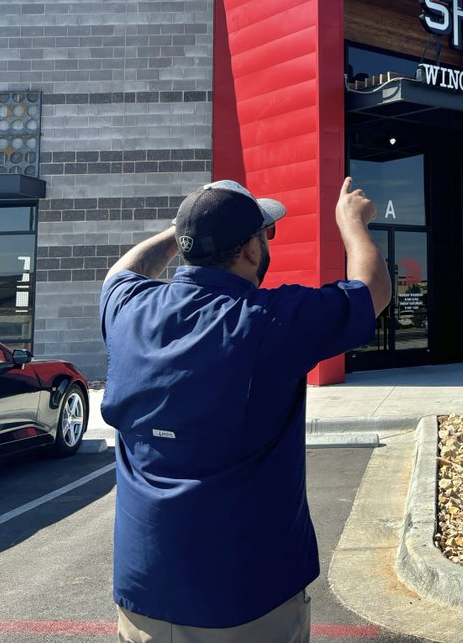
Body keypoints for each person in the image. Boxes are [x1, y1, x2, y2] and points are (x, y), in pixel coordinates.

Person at [99, 177, 390, 643]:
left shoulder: (129, 310)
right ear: (251, 250)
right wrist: (350, 222)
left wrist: (187, 231)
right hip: (248, 599)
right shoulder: (268, 321)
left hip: (144, 597)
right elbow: (371, 291)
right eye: (264, 234)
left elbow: (122, 271)